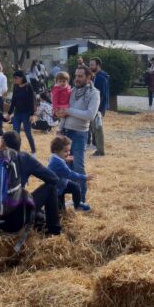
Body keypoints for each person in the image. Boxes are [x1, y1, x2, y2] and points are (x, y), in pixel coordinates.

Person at [0, 131, 61, 236]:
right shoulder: (23, 157)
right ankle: (54, 231)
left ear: (3, 143)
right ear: (19, 144)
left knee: (23, 197)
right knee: (50, 188)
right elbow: (54, 179)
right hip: (14, 222)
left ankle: (39, 217)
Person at [55, 66, 100, 209]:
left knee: (78, 168)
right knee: (64, 168)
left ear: (88, 77)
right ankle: (63, 203)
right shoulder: (73, 91)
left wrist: (68, 111)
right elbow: (64, 111)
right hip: (65, 133)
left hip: (79, 135)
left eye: (80, 76)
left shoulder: (94, 93)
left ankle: (80, 202)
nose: (77, 79)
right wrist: (59, 128)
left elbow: (90, 115)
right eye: (76, 75)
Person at [48, 135, 91, 211]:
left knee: (76, 187)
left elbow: (58, 163)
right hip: (57, 189)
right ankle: (61, 207)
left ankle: (77, 205)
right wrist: (85, 177)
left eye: (69, 150)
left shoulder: (54, 157)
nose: (68, 153)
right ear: (56, 151)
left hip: (62, 183)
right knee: (61, 210)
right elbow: (71, 174)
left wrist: (65, 159)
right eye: (65, 151)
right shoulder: (58, 163)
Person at [7, 70, 37, 155]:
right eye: (14, 78)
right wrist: (9, 113)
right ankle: (16, 152)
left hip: (26, 114)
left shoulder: (28, 86)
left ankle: (33, 151)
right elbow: (13, 101)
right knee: (15, 133)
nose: (14, 80)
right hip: (17, 113)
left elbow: (32, 101)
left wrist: (32, 114)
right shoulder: (15, 86)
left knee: (28, 133)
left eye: (16, 78)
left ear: (22, 78)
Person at [88, 57, 109, 156]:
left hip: (98, 107)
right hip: (98, 107)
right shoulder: (98, 76)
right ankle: (97, 147)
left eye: (92, 65)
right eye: (90, 65)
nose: (90, 67)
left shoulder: (100, 77)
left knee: (97, 128)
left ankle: (100, 150)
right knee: (94, 128)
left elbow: (101, 94)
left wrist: (98, 108)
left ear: (98, 65)